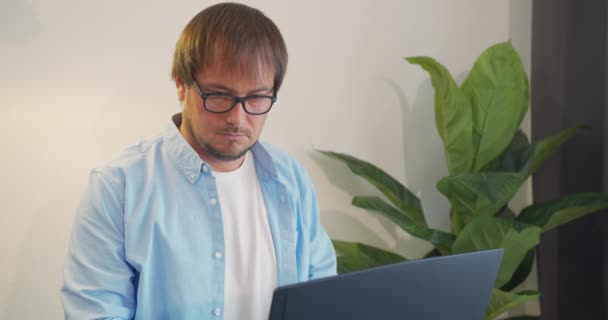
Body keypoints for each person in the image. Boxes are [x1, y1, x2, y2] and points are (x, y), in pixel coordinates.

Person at [61, 3, 337, 319]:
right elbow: (96, 313)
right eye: (219, 95)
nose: (238, 118)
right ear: (181, 83)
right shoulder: (117, 187)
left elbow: (322, 295)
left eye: (257, 97)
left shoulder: (290, 178)